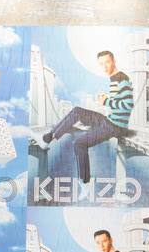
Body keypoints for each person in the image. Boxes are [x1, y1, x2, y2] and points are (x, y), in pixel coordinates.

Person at [40, 50, 134, 183]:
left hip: (115, 127)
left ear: (114, 61)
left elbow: (128, 105)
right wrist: (105, 101)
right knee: (77, 111)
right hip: (110, 121)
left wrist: (106, 102)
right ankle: (48, 138)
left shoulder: (121, 79)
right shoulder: (114, 78)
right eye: (101, 64)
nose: (104, 67)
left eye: (107, 62)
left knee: (79, 143)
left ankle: (84, 180)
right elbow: (120, 105)